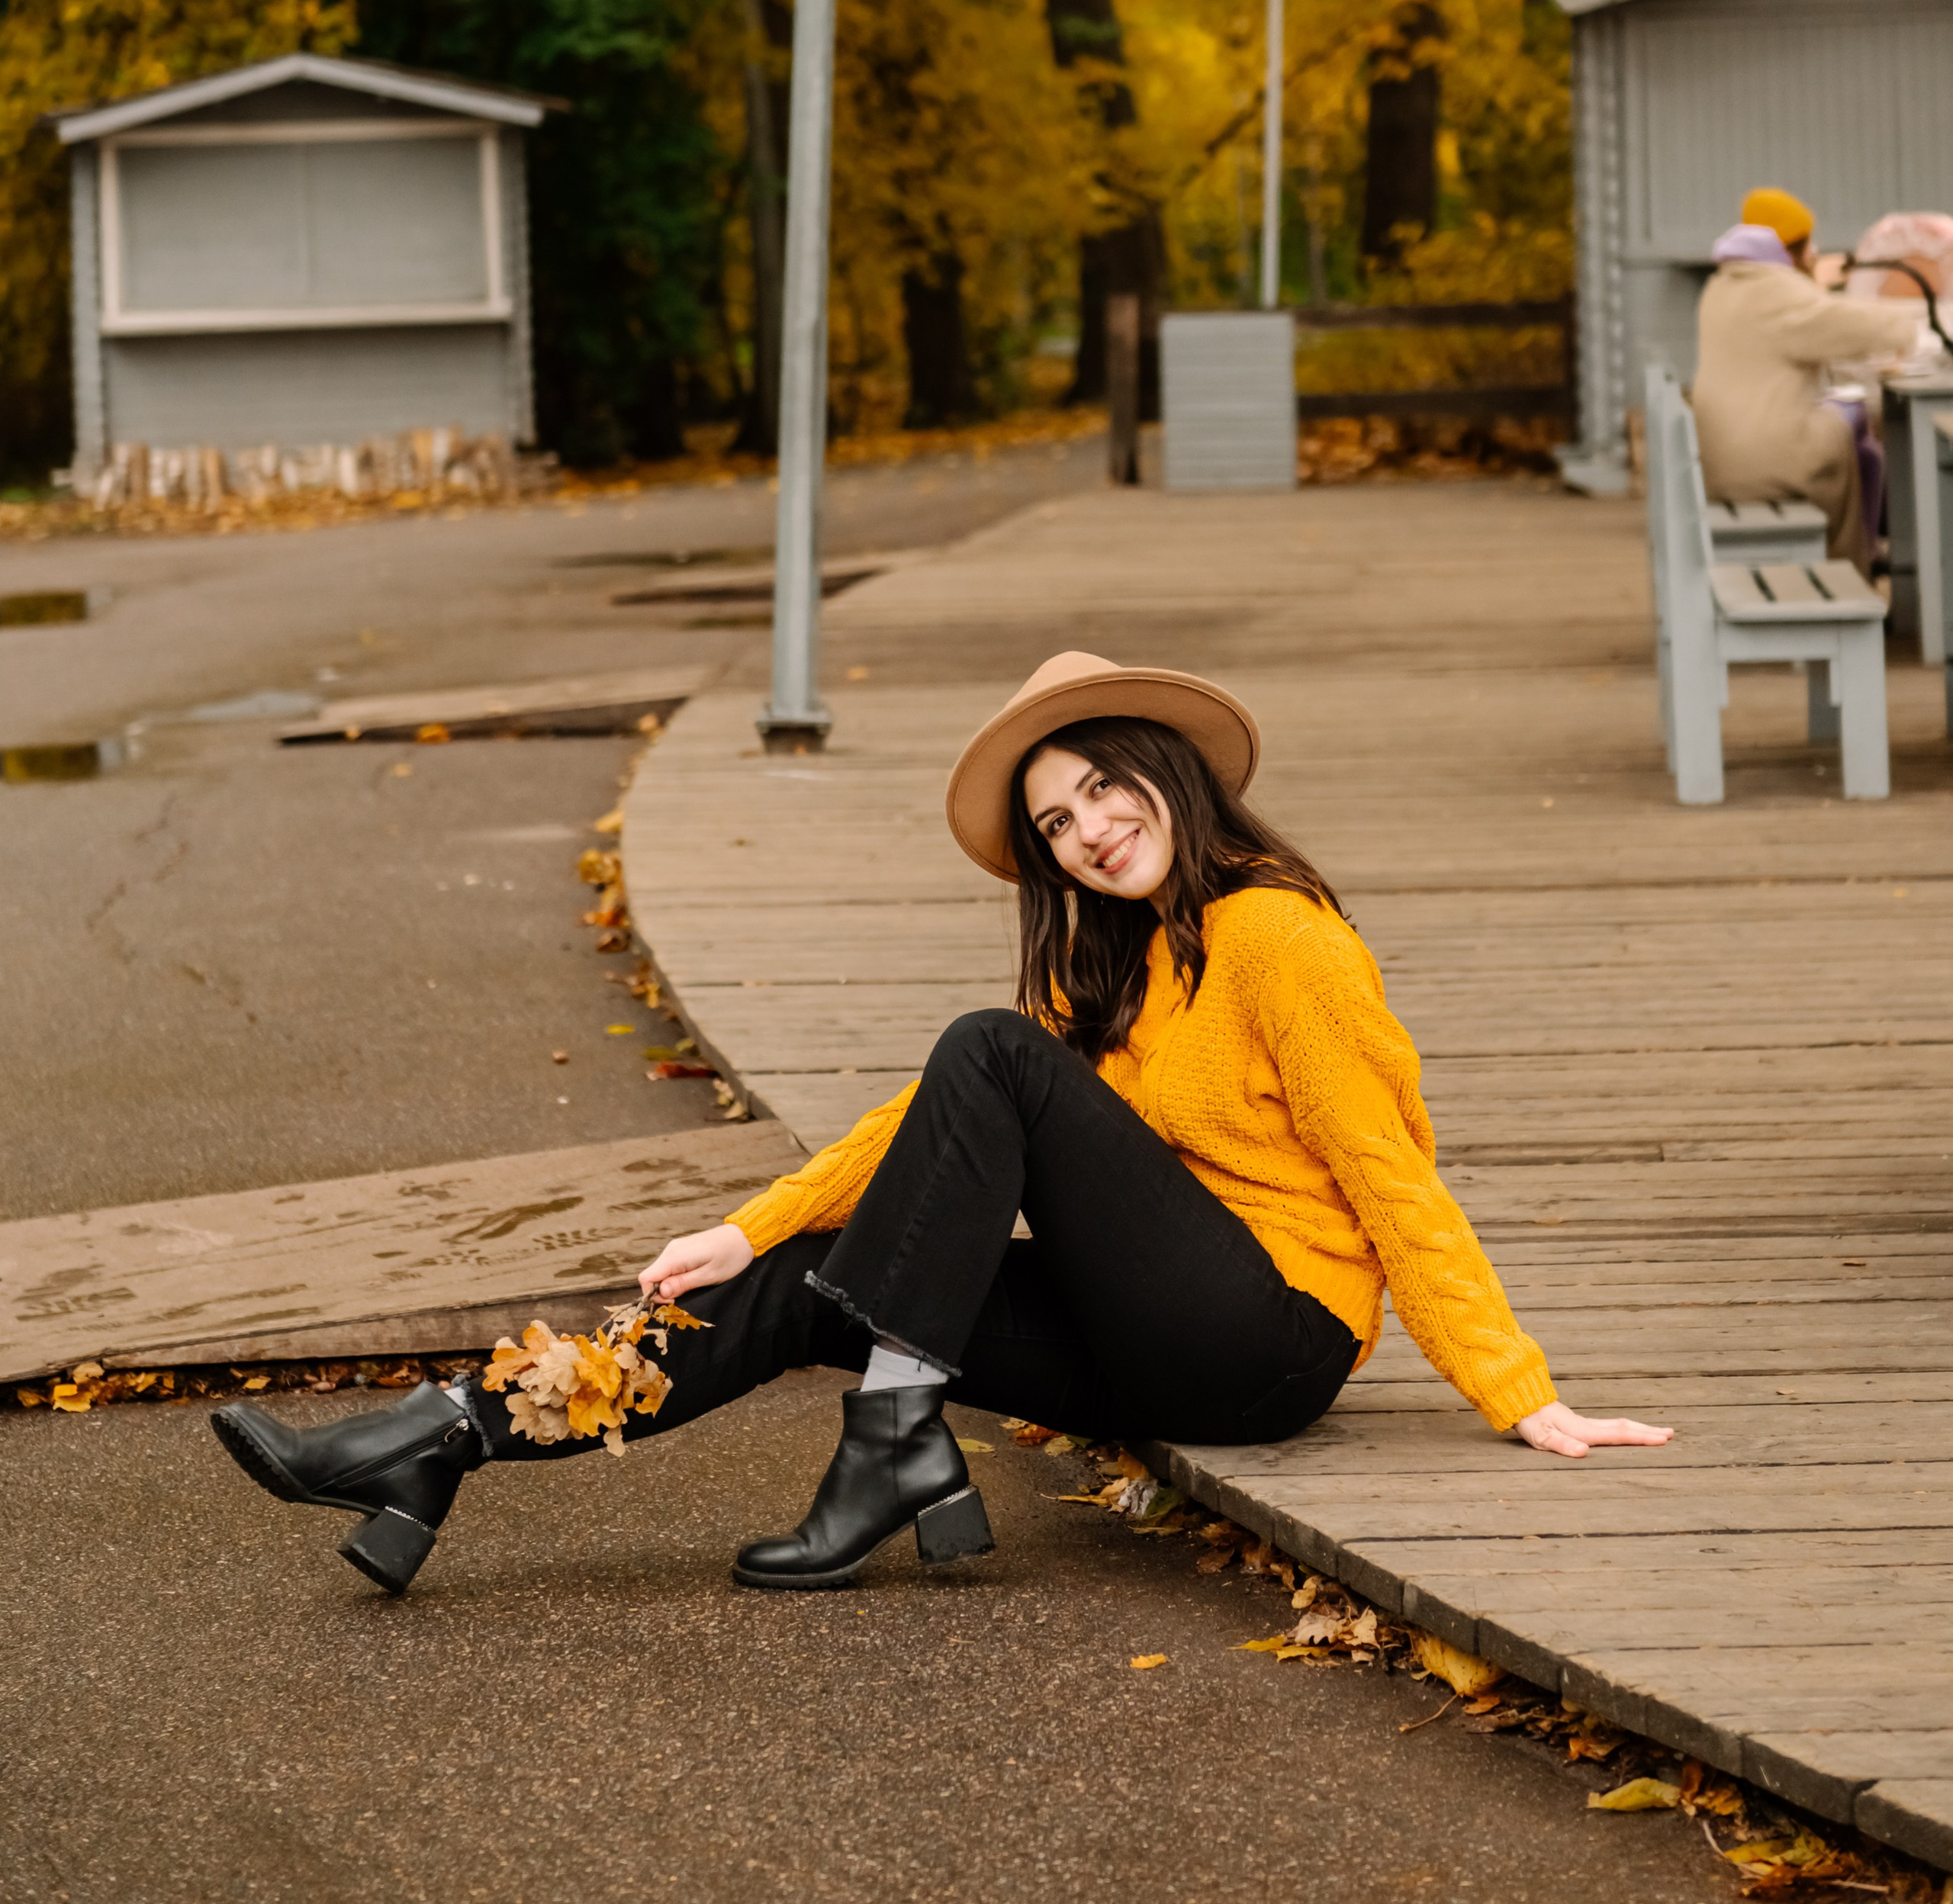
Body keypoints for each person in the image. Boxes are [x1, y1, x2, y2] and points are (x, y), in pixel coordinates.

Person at [211, 651, 1670, 1596]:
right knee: (800, 1280)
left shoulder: (1280, 940)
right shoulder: (1107, 967)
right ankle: (445, 1439)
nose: (1093, 830)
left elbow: (1388, 1173)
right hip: (1150, 1330)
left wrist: (1515, 1387)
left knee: (990, 1056)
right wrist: (745, 1226)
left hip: (1272, 1334)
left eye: (1106, 787)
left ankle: (894, 1435)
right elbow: (926, 1125)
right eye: (1058, 824)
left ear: (1170, 772)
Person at [1693, 186, 1923, 573]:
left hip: (1728, 455)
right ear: (1790, 251)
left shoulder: (1724, 286)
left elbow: (1819, 321)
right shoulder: (1773, 292)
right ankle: (1850, 564)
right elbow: (1847, 326)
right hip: (1759, 464)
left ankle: (1863, 550)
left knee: (1854, 431)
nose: (1814, 254)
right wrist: (1910, 327)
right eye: (1807, 246)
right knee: (1855, 421)